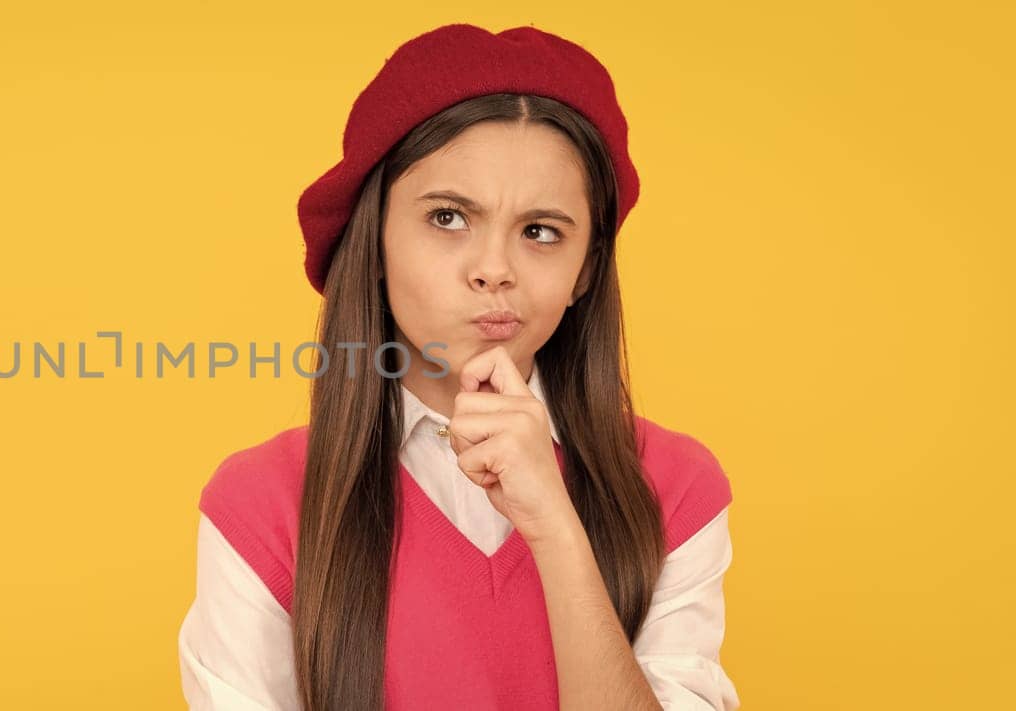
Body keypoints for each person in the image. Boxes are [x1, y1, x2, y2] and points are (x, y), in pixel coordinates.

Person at [177, 24, 741, 711]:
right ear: (375, 237)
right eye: (447, 217)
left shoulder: (675, 490)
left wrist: (556, 528)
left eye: (541, 232)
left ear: (586, 268)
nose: (494, 270)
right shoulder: (259, 506)